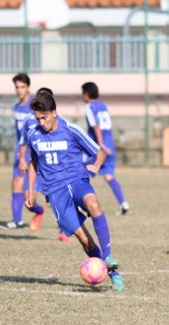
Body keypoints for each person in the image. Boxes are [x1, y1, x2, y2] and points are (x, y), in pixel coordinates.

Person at [24, 91, 125, 292]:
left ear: (54, 112)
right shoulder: (33, 135)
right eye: (38, 118)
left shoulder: (71, 130)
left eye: (44, 117)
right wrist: (31, 190)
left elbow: (99, 152)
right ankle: (113, 273)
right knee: (85, 239)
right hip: (54, 192)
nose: (41, 122)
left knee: (93, 204)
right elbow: (33, 163)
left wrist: (96, 165)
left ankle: (107, 257)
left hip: (77, 180)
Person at [17, 87, 70, 242]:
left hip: (52, 169)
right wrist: (21, 159)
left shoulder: (61, 122)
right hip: (34, 165)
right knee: (28, 201)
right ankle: (39, 211)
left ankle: (63, 231)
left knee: (59, 202)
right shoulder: (29, 121)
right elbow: (23, 143)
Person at [4, 73, 45, 231]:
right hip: (20, 150)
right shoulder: (17, 107)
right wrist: (20, 154)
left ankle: (39, 211)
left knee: (31, 196)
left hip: (33, 151)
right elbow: (19, 133)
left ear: (28, 87)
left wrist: (26, 154)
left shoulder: (34, 105)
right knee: (16, 183)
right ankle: (17, 221)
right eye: (17, 87)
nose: (19, 90)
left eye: (22, 87)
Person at [81, 82, 129, 215]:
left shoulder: (89, 107)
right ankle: (123, 203)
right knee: (108, 175)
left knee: (82, 173)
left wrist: (100, 143)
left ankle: (86, 206)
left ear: (86, 94)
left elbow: (96, 126)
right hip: (110, 146)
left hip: (97, 147)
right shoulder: (103, 106)